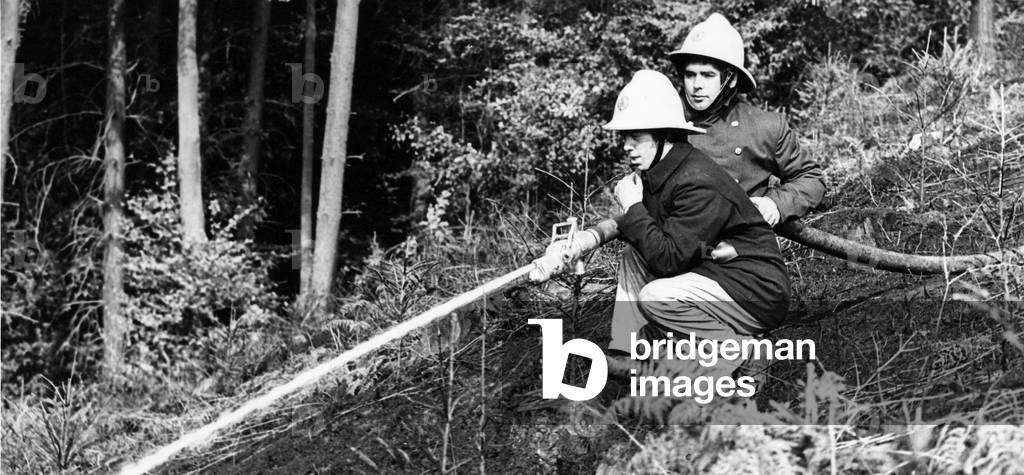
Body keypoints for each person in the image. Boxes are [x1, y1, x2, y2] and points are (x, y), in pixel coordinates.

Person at [604, 70, 791, 369]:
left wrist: (633, 208)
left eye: (636, 138)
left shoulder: (695, 180)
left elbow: (669, 260)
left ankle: (741, 350)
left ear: (663, 133)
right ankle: (630, 352)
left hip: (755, 289)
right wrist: (635, 211)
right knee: (632, 255)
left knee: (655, 297)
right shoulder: (663, 170)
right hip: (714, 270)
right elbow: (659, 242)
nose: (627, 147)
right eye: (625, 138)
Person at [667, 13, 825, 227]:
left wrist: (775, 204)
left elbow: (811, 178)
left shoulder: (764, 126)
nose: (697, 85)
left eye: (708, 75)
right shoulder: (667, 124)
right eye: (690, 74)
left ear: (730, 80)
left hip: (738, 245)